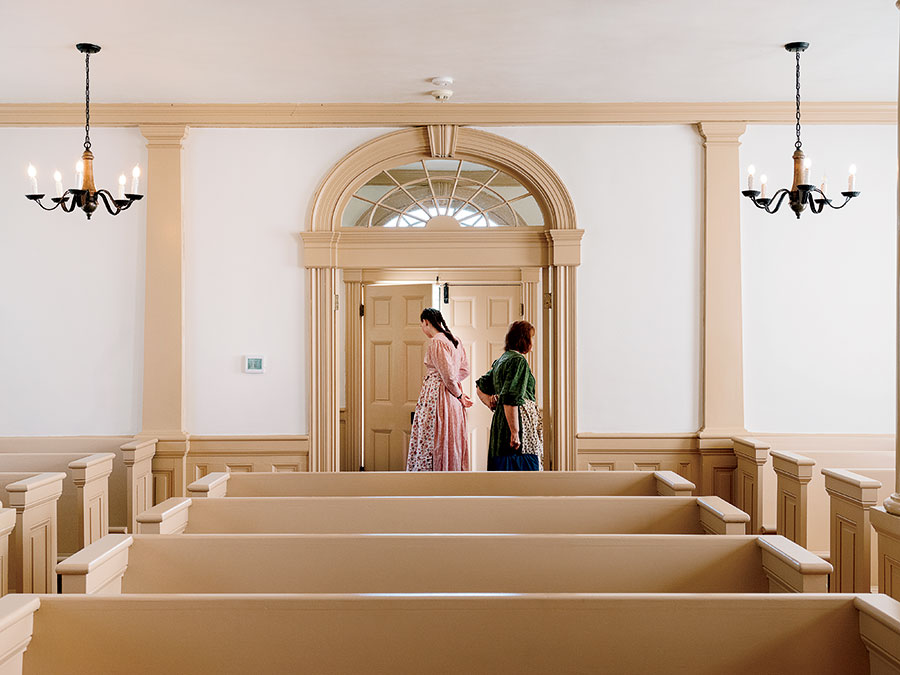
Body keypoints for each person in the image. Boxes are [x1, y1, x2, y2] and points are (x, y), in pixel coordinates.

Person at [406, 308, 474, 471]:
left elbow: (448, 375)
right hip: (451, 396)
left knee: (437, 435)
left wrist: (458, 395)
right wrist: (457, 392)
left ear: (426, 322)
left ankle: (434, 478)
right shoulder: (455, 340)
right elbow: (464, 370)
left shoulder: (438, 341)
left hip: (439, 396)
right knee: (449, 436)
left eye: (422, 324)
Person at [475, 321, 542, 471]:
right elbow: (510, 398)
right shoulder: (518, 361)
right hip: (517, 422)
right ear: (524, 339)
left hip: (501, 422)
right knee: (521, 477)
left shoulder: (502, 360)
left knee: (502, 473)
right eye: (531, 338)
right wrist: (515, 432)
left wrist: (491, 402)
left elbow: (481, 386)